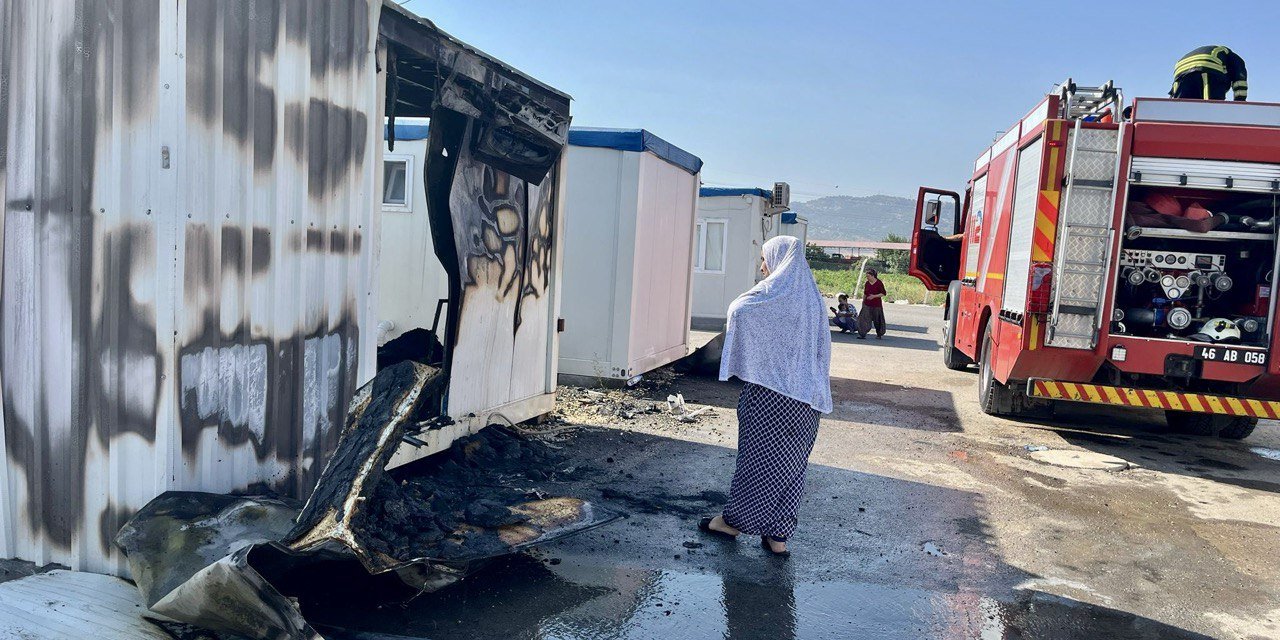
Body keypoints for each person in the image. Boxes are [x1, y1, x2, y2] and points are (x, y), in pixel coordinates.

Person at [698, 236, 833, 557]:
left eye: (765, 258)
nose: (762, 267)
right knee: (792, 467)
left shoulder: (772, 294)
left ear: (779, 260)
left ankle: (733, 522)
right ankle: (778, 536)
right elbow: (821, 351)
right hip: (808, 400)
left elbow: (738, 310)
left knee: (758, 462)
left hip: (770, 396)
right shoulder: (812, 300)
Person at [1170, 45, 1247, 101]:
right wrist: (1240, 102)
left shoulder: (1224, 59)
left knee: (1183, 106)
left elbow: (1174, 93)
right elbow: (1240, 82)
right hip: (1208, 63)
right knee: (1213, 106)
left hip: (1180, 69)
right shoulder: (1235, 59)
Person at [857, 269, 887, 339]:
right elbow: (865, 293)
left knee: (878, 320)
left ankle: (879, 334)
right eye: (866, 276)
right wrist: (863, 301)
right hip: (867, 304)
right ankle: (862, 334)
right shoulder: (867, 283)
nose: (867, 278)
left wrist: (874, 296)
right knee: (863, 319)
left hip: (876, 305)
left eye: (868, 276)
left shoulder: (879, 283)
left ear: (873, 276)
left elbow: (883, 293)